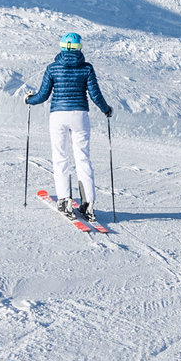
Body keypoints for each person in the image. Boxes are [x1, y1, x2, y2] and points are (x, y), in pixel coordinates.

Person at [25, 32, 114, 220]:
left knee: (60, 157)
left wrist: (29, 100)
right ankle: (88, 204)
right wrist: (106, 109)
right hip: (80, 115)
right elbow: (95, 95)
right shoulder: (87, 68)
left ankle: (64, 200)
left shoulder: (53, 68)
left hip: (58, 115)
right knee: (83, 158)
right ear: (79, 48)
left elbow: (42, 96)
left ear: (61, 47)